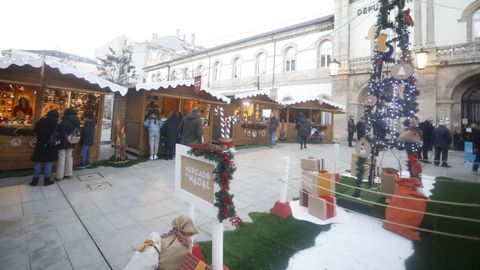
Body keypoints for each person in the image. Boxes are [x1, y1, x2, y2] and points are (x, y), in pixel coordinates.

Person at [30, 110, 59, 186]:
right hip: (50, 145)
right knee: (48, 163)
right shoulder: (56, 124)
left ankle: (34, 181)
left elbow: (35, 131)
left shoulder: (41, 122)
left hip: (40, 144)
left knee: (38, 162)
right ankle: (47, 181)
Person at [56, 108, 80, 180]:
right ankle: (69, 173)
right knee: (69, 156)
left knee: (61, 157)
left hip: (63, 142)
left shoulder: (64, 121)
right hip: (72, 140)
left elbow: (61, 131)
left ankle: (59, 176)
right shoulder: (77, 120)